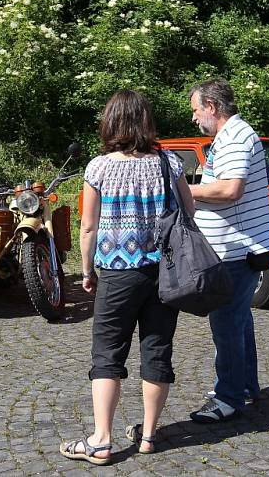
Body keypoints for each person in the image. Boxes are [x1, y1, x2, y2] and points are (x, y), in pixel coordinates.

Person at [59, 89, 195, 465]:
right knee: (157, 349)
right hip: (165, 274)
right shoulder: (169, 162)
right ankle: (149, 435)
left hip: (117, 274)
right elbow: (190, 209)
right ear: (146, 121)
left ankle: (101, 441)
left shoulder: (98, 168)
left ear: (111, 122)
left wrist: (86, 271)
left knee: (107, 355)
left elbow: (87, 228)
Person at [186, 78, 269, 423]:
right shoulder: (230, 137)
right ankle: (244, 386)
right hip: (238, 249)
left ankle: (228, 398)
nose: (195, 118)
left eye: (196, 110)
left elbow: (231, 190)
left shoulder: (236, 136)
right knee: (239, 323)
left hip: (236, 252)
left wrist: (187, 190)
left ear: (211, 107)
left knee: (226, 325)